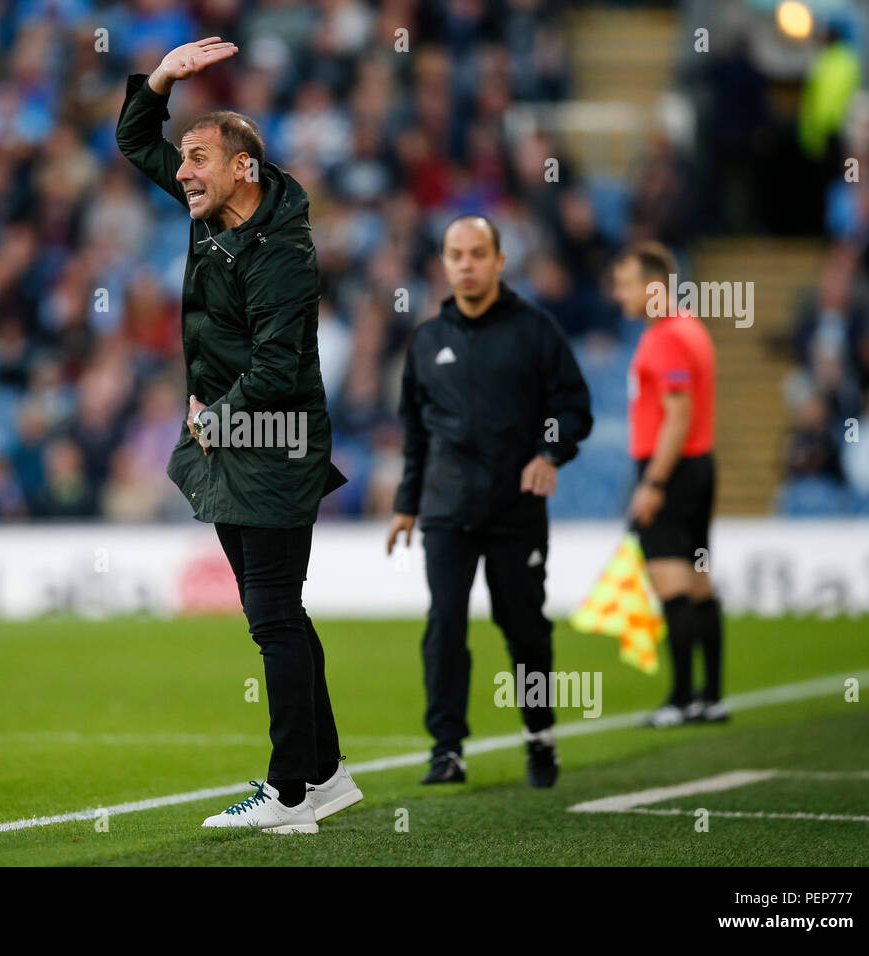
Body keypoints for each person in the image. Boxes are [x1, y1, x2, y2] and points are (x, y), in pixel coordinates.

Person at [117, 37, 355, 834]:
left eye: (198, 158)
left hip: (276, 440)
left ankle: (290, 792)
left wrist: (215, 414)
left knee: (273, 617)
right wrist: (160, 78)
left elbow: (280, 365)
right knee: (281, 614)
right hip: (227, 440)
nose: (181, 171)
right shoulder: (208, 213)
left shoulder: (282, 252)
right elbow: (131, 140)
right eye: (182, 159)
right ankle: (323, 774)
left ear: (242, 168)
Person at [386, 215, 592, 788]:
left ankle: (539, 734)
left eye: (478, 253)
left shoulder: (536, 331)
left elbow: (573, 406)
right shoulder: (426, 342)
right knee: (444, 623)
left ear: (500, 261)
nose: (467, 264)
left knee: (524, 627)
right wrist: (407, 503)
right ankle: (446, 749)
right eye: (456, 254)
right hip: (446, 509)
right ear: (444, 263)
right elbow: (415, 433)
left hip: (515, 508)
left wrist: (549, 452)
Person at [610, 241, 726, 726]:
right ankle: (710, 696)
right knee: (698, 583)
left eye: (627, 284)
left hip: (671, 469)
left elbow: (677, 417)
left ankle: (680, 699)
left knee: (672, 583)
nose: (620, 294)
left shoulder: (667, 338)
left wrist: (653, 483)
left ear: (654, 286)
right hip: (697, 466)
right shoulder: (687, 329)